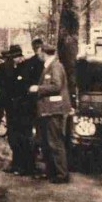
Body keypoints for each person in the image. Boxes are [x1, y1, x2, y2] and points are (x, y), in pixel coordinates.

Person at [29, 42, 71, 183]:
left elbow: (56, 86)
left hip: (54, 110)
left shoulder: (55, 66)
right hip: (48, 110)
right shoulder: (50, 66)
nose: (38, 55)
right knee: (47, 142)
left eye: (39, 52)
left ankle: (61, 174)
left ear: (43, 52)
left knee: (55, 142)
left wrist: (38, 88)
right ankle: (51, 172)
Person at [0, 44, 35, 175]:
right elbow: (1, 87)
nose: (17, 59)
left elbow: (28, 88)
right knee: (13, 138)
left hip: (24, 110)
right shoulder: (4, 68)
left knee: (25, 137)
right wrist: (3, 104)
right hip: (11, 109)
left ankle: (27, 167)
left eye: (18, 57)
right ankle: (16, 164)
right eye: (14, 57)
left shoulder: (28, 68)